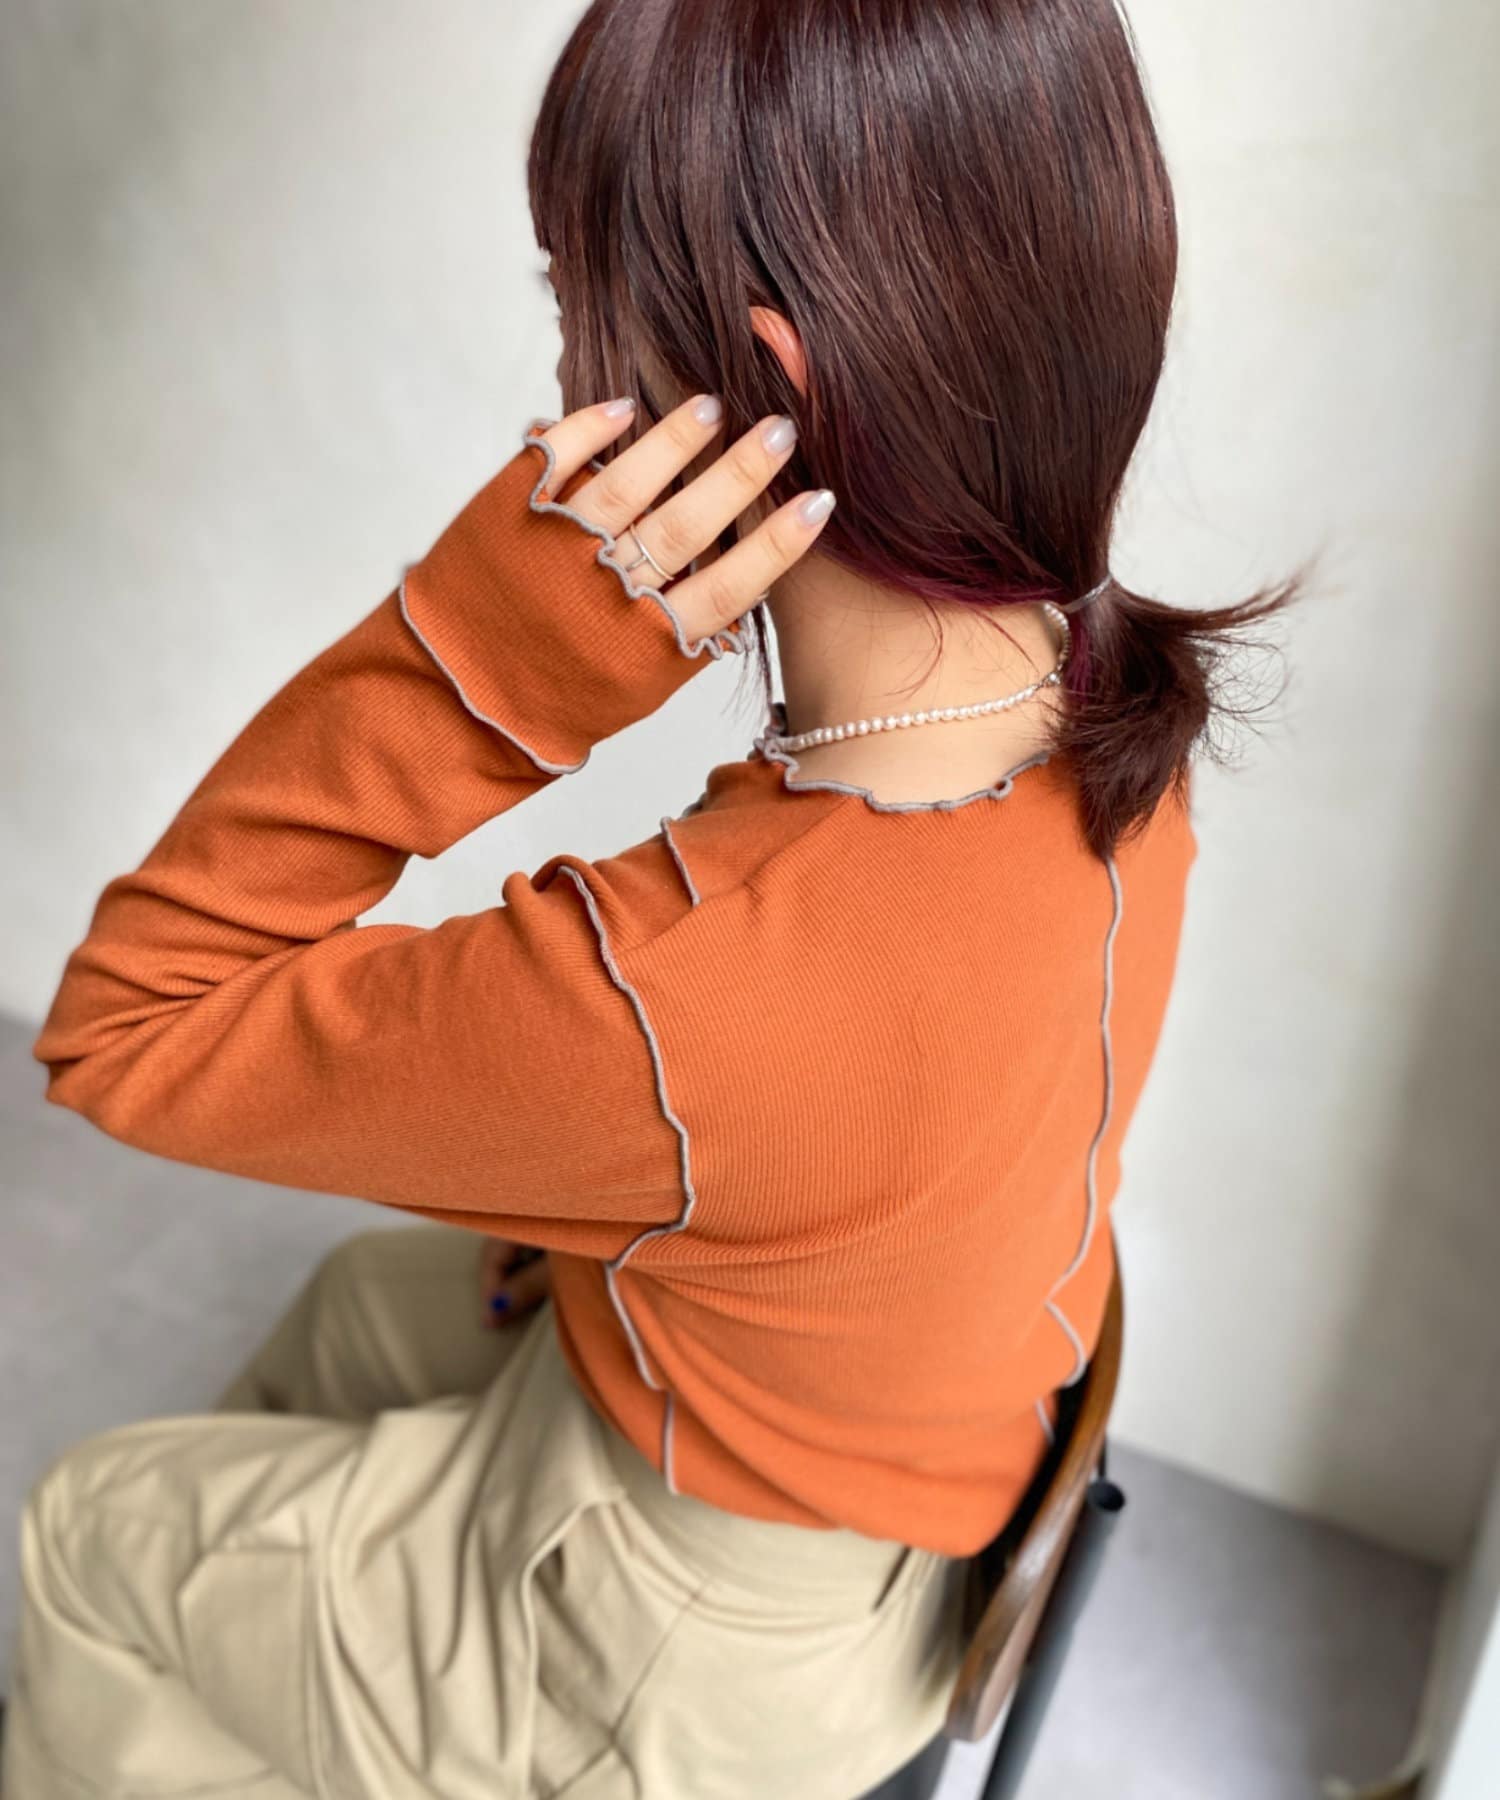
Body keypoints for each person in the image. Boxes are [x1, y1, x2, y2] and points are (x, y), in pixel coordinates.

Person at [1, 0, 1296, 1795]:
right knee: (358, 1305)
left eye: (571, 302)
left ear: (764, 397)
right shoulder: (1110, 727)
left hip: (688, 1644)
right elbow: (863, 1110)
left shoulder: (681, 992)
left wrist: (477, 659)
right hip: (897, 1455)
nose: (557, 393)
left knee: (89, 1528)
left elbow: (126, 1028)